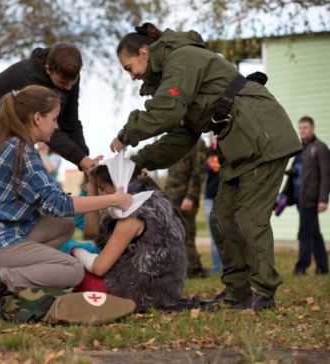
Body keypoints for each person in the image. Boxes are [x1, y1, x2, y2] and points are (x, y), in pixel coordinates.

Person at [109, 23, 302, 311]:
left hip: (264, 136)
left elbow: (167, 109)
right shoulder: (174, 74)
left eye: (129, 67)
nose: (132, 75)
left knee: (249, 218)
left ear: (144, 52)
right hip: (239, 145)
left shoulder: (182, 58)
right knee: (221, 218)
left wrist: (127, 134)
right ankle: (237, 294)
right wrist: (138, 161)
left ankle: (264, 293)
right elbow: (181, 137)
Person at [0, 85, 132, 312]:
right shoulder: (23, 151)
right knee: (72, 270)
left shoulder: (6, 144)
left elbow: (54, 210)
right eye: (53, 119)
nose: (56, 125)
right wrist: (113, 199)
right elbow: (59, 203)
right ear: (37, 118)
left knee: (62, 225)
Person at [67, 165, 187, 311]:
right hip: (162, 293)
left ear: (120, 187)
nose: (100, 195)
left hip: (131, 295)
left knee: (68, 264)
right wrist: (91, 184)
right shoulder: (155, 205)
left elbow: (99, 267)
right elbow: (92, 230)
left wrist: (74, 251)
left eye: (103, 188)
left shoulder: (132, 218)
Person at [0, 43, 100, 171]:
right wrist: (81, 160)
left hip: (12, 124)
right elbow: (44, 126)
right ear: (48, 69)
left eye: (73, 82)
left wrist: (85, 159)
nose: (69, 88)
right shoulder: (30, 79)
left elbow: (70, 121)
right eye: (63, 83)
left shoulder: (68, 74)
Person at [285, 116, 329, 275]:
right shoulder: (300, 149)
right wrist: (285, 196)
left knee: (304, 232)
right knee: (314, 233)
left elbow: (326, 175)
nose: (302, 130)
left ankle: (301, 267)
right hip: (299, 198)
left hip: (311, 198)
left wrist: (323, 199)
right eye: (300, 128)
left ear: (313, 128)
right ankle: (323, 267)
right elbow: (293, 174)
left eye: (305, 127)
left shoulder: (320, 148)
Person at [164, 138, 207, 278]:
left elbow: (198, 172)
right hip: (172, 197)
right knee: (174, 236)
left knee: (187, 235)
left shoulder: (198, 143)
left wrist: (191, 197)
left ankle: (194, 270)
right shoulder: (178, 140)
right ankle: (182, 270)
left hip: (185, 199)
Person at [204, 133, 222, 273]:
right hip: (210, 198)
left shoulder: (231, 151)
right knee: (214, 236)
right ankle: (217, 268)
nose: (216, 137)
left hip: (226, 198)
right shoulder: (207, 153)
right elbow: (216, 167)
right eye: (214, 135)